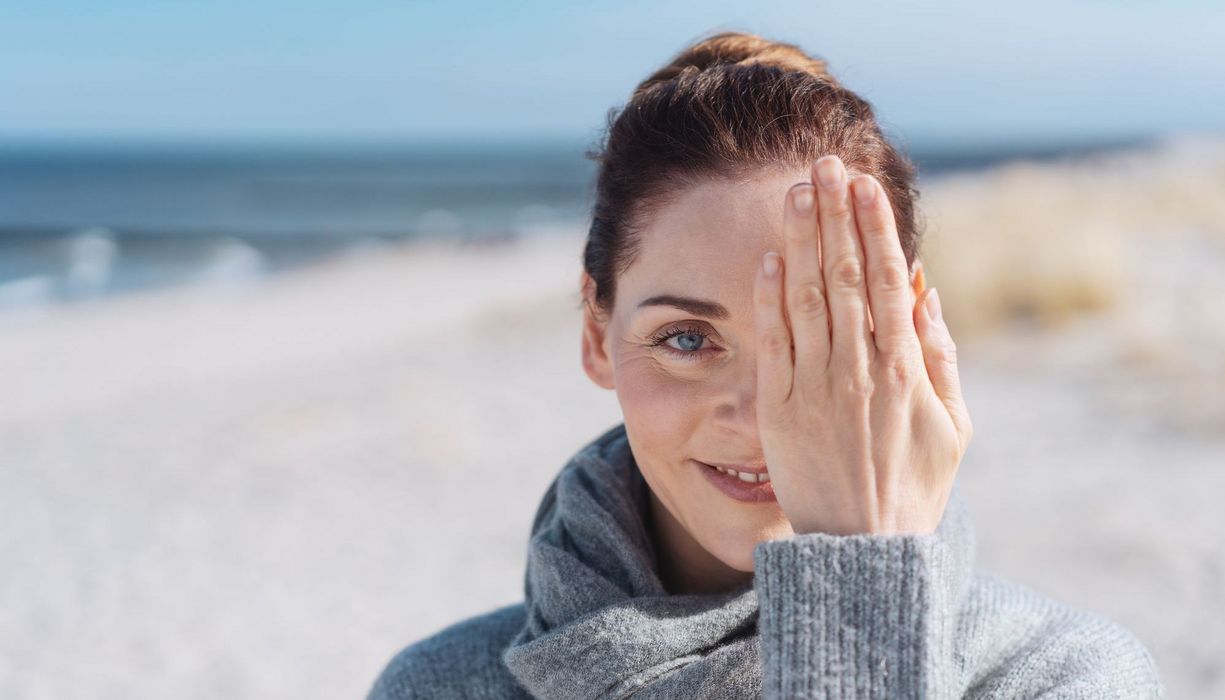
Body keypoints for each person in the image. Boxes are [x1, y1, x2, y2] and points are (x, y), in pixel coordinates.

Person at [366, 30, 1164, 699]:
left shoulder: (1061, 676)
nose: (763, 417)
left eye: (810, 339)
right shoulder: (440, 685)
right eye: (686, 339)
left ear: (909, 335)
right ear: (595, 331)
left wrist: (858, 569)